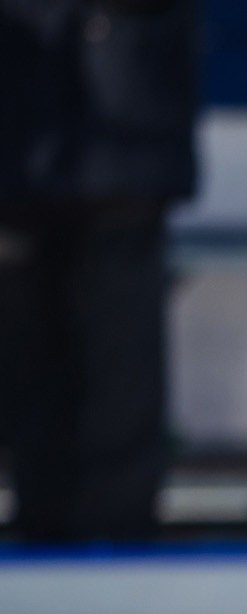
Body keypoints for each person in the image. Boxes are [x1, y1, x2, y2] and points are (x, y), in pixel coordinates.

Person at [1, 0, 201, 544]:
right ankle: (43, 528)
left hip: (123, 125)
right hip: (22, 129)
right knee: (28, 359)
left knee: (119, 357)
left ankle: (118, 543)